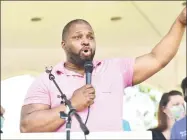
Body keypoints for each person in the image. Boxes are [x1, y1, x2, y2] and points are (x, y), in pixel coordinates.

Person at [20, 7, 186, 132]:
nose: (86, 41)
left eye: (90, 37)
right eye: (78, 37)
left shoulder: (115, 69)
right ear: (64, 45)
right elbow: (27, 126)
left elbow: (157, 59)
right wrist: (71, 105)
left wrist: (180, 22)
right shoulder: (48, 79)